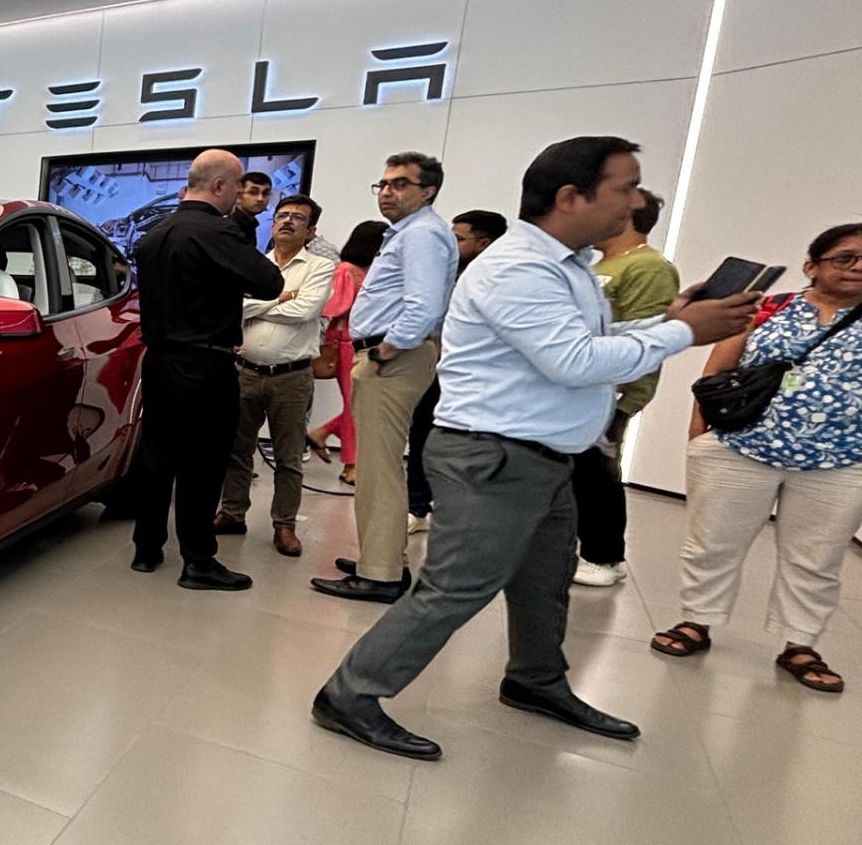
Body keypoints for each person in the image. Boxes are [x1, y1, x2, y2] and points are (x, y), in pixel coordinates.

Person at [311, 136, 757, 761]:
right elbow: (572, 360)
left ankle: (535, 680)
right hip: (493, 458)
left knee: (545, 582)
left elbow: (577, 339)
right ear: (571, 197)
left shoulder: (566, 266)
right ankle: (350, 693)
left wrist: (667, 321)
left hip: (543, 455)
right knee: (456, 587)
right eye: (623, 188)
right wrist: (684, 332)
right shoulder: (518, 266)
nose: (632, 203)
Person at [652, 223, 862, 693]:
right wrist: (698, 433)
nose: (858, 267)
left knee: (817, 559)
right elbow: (719, 368)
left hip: (843, 460)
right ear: (812, 266)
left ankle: (800, 643)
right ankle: (696, 622)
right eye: (845, 258)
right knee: (713, 544)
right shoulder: (770, 306)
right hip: (739, 446)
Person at [129, 150, 285, 591]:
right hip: (204, 362)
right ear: (219, 187)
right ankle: (198, 560)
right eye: (238, 186)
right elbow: (270, 283)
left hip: (158, 359)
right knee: (204, 461)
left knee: (157, 454)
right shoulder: (216, 232)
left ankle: (147, 547)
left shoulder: (153, 234)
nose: (241, 195)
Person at [312, 152, 457, 604]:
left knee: (379, 469)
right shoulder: (413, 233)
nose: (388, 192)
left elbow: (424, 305)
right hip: (391, 356)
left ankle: (380, 574)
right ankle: (383, 558)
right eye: (383, 184)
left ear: (427, 190)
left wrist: (386, 350)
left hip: (394, 358)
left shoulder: (423, 235)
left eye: (399, 184)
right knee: (380, 466)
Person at [216, 194, 334, 557]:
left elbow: (306, 310)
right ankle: (233, 513)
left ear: (310, 230)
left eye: (298, 217)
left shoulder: (320, 266)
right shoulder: (254, 264)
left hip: (291, 377)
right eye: (282, 215)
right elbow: (233, 307)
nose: (287, 221)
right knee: (237, 451)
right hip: (244, 372)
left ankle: (284, 525)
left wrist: (263, 305)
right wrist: (283, 297)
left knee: (288, 457)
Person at [574, 190, 679, 587]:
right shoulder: (598, 264)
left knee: (596, 472)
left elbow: (649, 337)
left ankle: (603, 555)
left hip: (609, 391)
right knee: (574, 473)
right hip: (581, 386)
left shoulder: (649, 268)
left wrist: (626, 398)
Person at [404, 209, 509, 535]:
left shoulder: (501, 280)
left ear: (484, 242)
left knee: (471, 448)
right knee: (420, 436)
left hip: (480, 379)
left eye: (459, 239)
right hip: (437, 370)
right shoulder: (448, 272)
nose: (451, 243)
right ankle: (417, 507)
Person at [308, 220, 387, 488]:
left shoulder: (364, 271)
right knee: (355, 405)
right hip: (346, 343)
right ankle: (351, 464)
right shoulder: (346, 271)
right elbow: (333, 307)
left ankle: (323, 432)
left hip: (363, 344)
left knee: (361, 403)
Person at [230, 171, 273, 245]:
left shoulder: (251, 225)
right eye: (253, 192)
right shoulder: (230, 228)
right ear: (238, 195)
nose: (260, 199)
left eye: (265, 193)